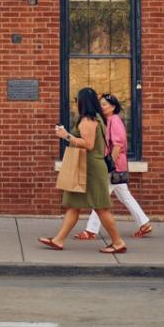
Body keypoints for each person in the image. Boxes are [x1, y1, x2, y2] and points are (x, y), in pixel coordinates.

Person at [37, 87, 128, 253]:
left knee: (101, 207)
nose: (75, 103)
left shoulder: (88, 120)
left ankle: (118, 242)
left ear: (82, 102)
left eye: (76, 100)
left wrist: (66, 135)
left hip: (91, 169)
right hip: (85, 167)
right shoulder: (97, 118)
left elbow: (88, 145)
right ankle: (58, 240)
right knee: (73, 205)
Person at [74, 93, 152, 240]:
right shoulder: (108, 120)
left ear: (113, 107)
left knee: (100, 198)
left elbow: (117, 145)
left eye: (104, 105)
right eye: (100, 104)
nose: (101, 107)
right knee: (125, 196)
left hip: (113, 165)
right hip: (116, 165)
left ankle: (91, 230)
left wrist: (109, 164)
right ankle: (144, 223)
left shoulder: (114, 120)